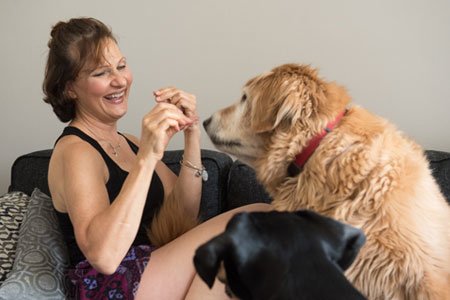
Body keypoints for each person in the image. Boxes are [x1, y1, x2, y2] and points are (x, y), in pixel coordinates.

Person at [43, 17, 270, 299]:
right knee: (258, 218)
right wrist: (147, 158)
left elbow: (184, 214)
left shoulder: (129, 143)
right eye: (101, 73)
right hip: (109, 286)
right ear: (69, 88)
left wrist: (191, 132)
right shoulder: (76, 151)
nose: (119, 80)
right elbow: (104, 257)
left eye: (122, 66)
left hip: (153, 272)